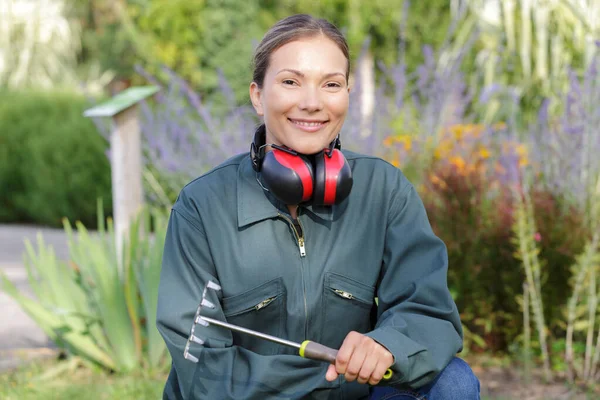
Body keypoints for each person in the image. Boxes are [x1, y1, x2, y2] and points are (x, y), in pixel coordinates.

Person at [156, 14, 481, 400]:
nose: (312, 103)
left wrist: (389, 346)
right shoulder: (202, 207)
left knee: (453, 383)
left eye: (330, 84)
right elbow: (205, 368)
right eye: (291, 82)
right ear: (258, 95)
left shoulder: (385, 191)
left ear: (347, 94)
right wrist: (334, 379)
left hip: (360, 393)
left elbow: (430, 314)